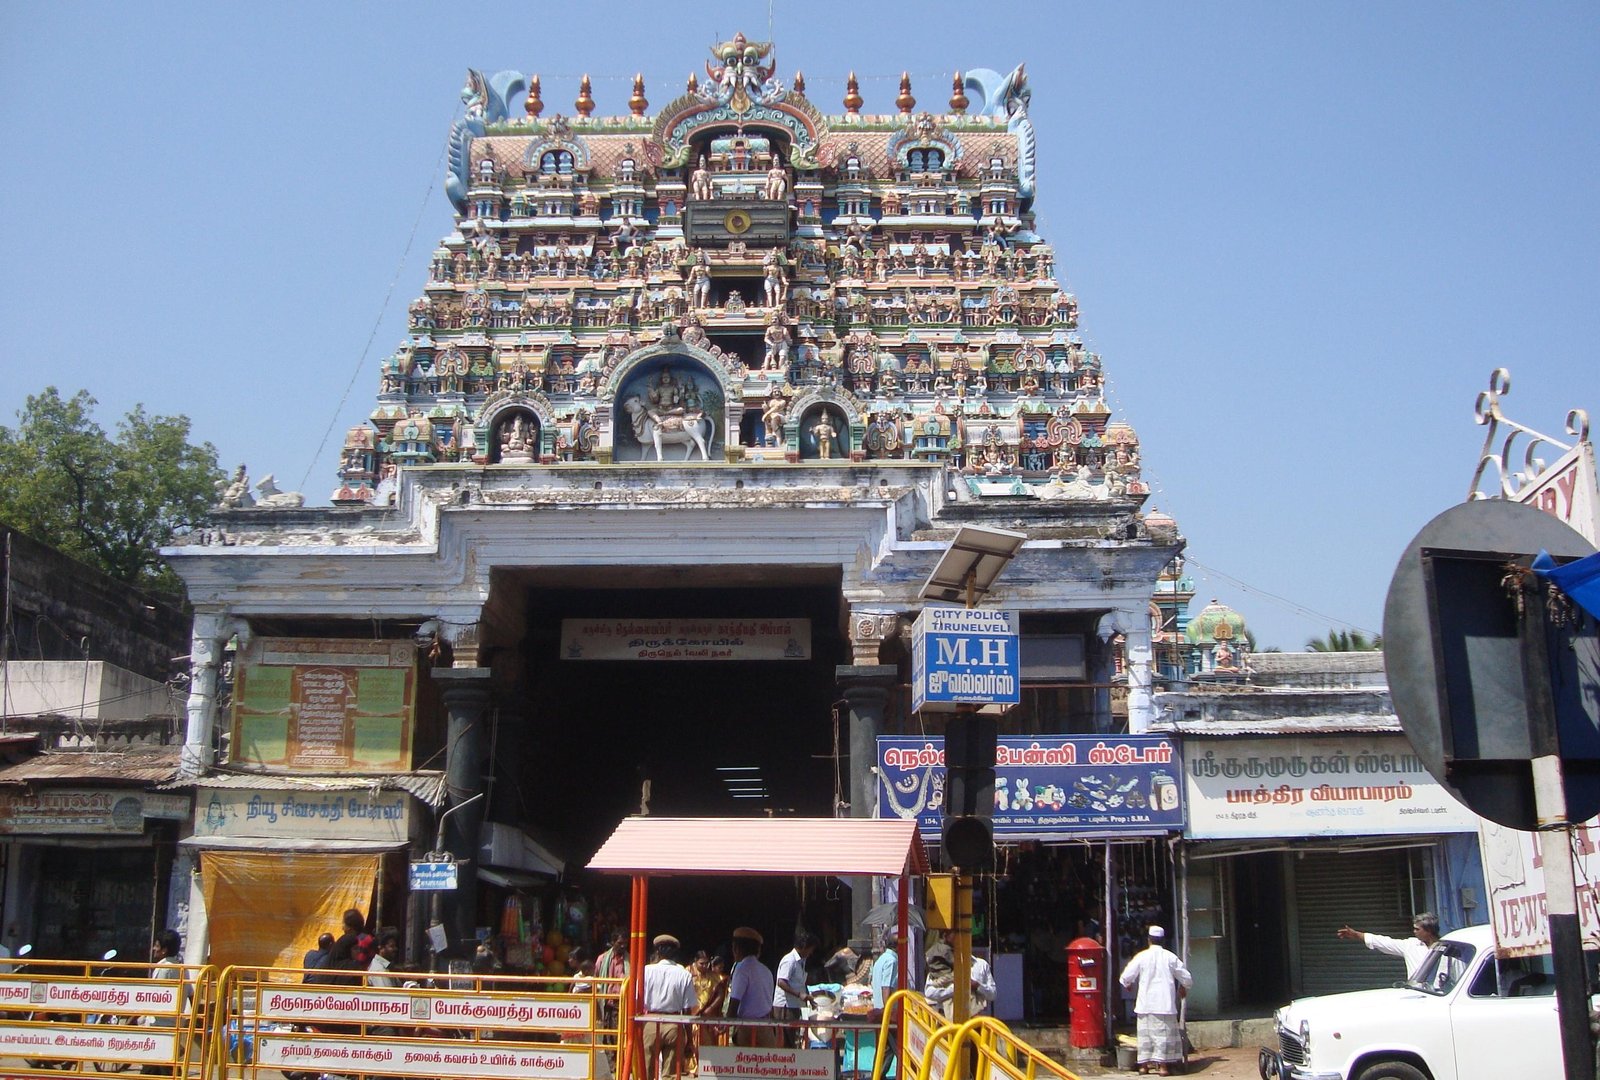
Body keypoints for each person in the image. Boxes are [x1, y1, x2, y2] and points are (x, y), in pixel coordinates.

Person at [1118, 926, 1192, 1077]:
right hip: (1164, 1004)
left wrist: (1128, 984)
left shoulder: (1141, 956)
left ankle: (1143, 1067)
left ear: (1149, 940)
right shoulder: (1170, 957)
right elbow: (1186, 977)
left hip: (1145, 1004)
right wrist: (1184, 987)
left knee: (1145, 1037)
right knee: (1162, 1037)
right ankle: (1163, 1067)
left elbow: (1126, 977)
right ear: (1162, 940)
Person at [641, 934, 697, 1080]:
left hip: (650, 1022)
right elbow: (687, 1010)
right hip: (674, 1023)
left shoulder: (645, 971)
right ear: (675, 954)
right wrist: (690, 1039)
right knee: (671, 1074)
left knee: (646, 1070)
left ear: (657, 952)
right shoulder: (684, 974)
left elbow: (637, 1000)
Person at [1337, 913, 1440, 979]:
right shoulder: (1411, 945)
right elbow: (1384, 942)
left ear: (1429, 930)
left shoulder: (1447, 949)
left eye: (1417, 929)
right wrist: (1357, 935)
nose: (1414, 932)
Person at [922, 932, 997, 1019]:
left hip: (975, 1022)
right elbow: (929, 992)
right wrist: (956, 989)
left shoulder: (981, 965)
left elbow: (992, 994)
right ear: (946, 937)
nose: (961, 940)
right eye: (957, 935)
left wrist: (977, 986)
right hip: (947, 1022)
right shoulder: (941, 964)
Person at [727, 927, 779, 1048]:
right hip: (766, 1027)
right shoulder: (766, 970)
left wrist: (724, 1024)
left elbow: (734, 1002)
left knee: (744, 1066)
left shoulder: (742, 969)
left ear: (737, 949)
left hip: (748, 1030)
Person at [772, 931, 817, 1044]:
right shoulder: (789, 960)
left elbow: (800, 983)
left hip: (794, 1005)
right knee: (784, 1040)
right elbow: (781, 982)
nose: (811, 952)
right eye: (811, 949)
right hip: (785, 1007)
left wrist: (807, 997)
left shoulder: (801, 961)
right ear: (804, 947)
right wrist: (799, 994)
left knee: (792, 1038)